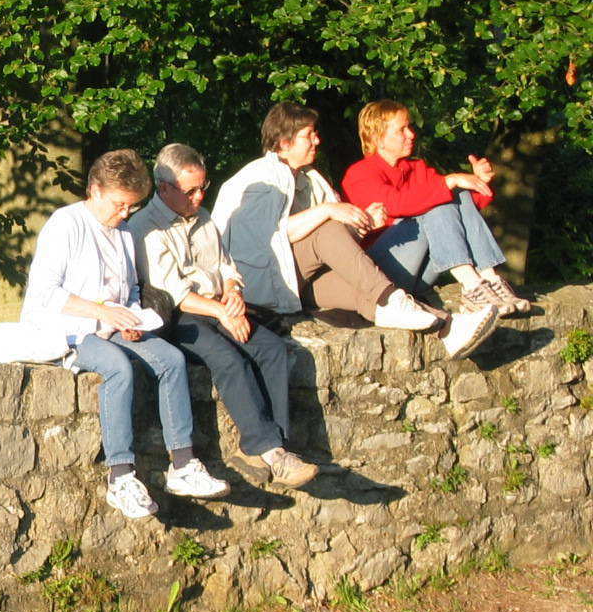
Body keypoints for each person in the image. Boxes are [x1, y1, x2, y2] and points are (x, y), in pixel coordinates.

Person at [22, 148, 230, 521]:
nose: (125, 213)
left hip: (112, 324)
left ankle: (183, 463)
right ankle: (120, 475)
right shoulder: (66, 224)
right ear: (95, 190)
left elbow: (129, 289)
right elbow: (44, 293)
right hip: (65, 328)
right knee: (118, 367)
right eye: (120, 204)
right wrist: (102, 311)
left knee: (171, 359)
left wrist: (132, 318)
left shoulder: (121, 233)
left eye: (132, 206)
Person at [210, 102, 498, 360]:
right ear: (284, 144)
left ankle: (449, 329)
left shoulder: (311, 179)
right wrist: (326, 211)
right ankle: (397, 298)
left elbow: (338, 239)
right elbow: (268, 241)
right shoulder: (259, 179)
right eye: (308, 135)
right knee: (330, 231)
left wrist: (363, 224)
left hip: (303, 282)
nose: (317, 140)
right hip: (265, 282)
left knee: (367, 293)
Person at [130, 144, 318, 489]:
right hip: (178, 318)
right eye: (190, 191)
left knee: (272, 348)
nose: (199, 196)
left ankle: (274, 447)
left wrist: (232, 292)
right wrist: (223, 312)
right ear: (164, 189)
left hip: (217, 305)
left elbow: (225, 266)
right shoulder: (145, 227)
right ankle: (269, 450)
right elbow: (174, 293)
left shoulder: (203, 217)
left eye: (203, 187)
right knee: (229, 359)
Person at [342, 100, 530, 317]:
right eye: (401, 130)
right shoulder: (360, 173)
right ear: (377, 138)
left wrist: (479, 183)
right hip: (383, 274)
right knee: (437, 197)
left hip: (421, 274)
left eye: (409, 127)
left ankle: (489, 279)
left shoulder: (417, 168)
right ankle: (471, 286)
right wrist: (449, 181)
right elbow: (397, 203)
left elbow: (458, 211)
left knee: (455, 194)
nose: (411, 134)